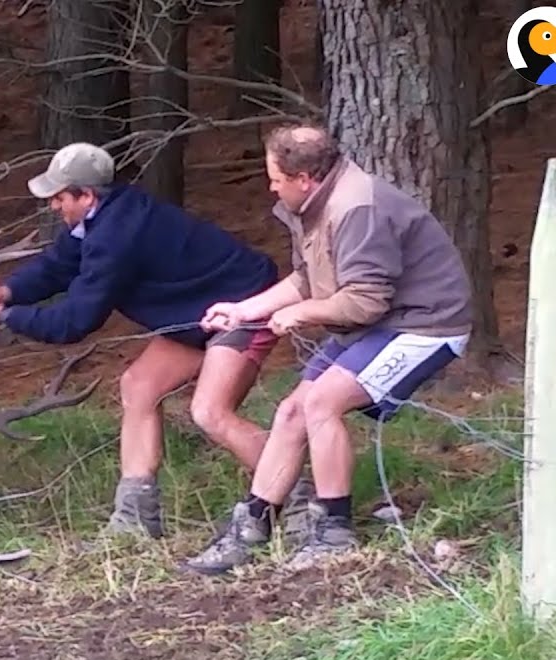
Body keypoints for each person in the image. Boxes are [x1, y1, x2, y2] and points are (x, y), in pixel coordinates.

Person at [0, 141, 301, 540]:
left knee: (210, 412)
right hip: (197, 313)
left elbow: (75, 321)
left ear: (86, 195)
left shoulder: (116, 237)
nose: (54, 206)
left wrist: (2, 316)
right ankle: (136, 518)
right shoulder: (101, 217)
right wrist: (4, 292)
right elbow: (57, 267)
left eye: (58, 198)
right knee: (139, 386)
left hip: (244, 304)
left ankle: (302, 504)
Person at [181, 122, 474, 575]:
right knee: (291, 412)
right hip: (380, 323)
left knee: (320, 403)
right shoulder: (317, 205)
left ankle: (334, 533)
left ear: (304, 179)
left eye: (275, 179)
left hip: (425, 323)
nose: (270, 187)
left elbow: (364, 299)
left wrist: (303, 315)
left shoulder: (357, 208)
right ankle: (251, 527)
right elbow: (306, 279)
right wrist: (245, 311)